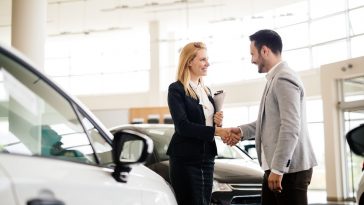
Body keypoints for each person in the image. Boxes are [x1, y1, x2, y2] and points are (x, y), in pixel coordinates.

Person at [231, 29, 318, 205]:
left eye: (252, 54)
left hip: (289, 170)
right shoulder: (274, 78)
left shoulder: (284, 78)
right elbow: (268, 123)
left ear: (265, 51)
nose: (252, 60)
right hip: (277, 168)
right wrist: (240, 131)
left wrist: (278, 169)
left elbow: (291, 126)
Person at [167, 41, 239, 205]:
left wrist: (217, 123)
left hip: (207, 158)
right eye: (203, 60)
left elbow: (208, 125)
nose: (208, 64)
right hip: (185, 159)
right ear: (189, 61)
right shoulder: (176, 89)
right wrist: (216, 131)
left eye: (207, 59)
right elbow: (182, 126)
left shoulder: (206, 91)